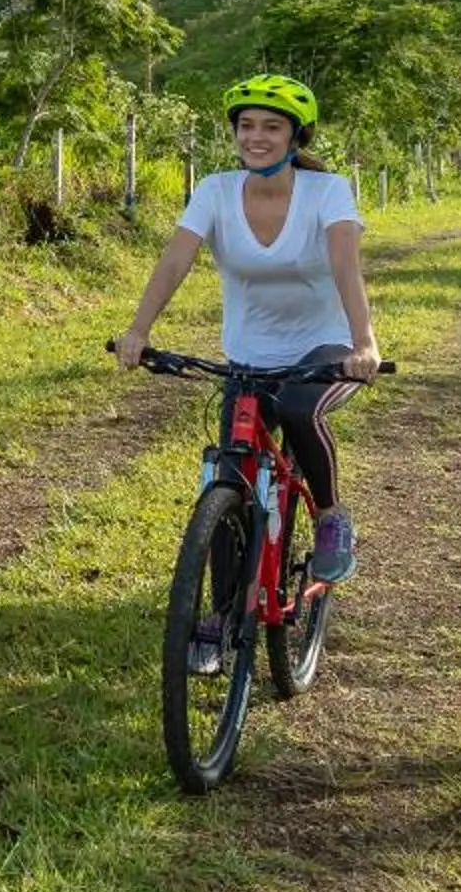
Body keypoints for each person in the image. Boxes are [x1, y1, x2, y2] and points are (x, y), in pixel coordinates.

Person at [114, 73, 383, 597]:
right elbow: (174, 261)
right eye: (247, 126)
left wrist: (363, 344)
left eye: (272, 127)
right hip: (247, 356)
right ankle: (219, 619)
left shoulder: (327, 192)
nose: (256, 136)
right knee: (228, 484)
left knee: (299, 410)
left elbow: (346, 267)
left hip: (323, 348)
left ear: (295, 137)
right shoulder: (214, 192)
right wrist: (138, 330)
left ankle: (330, 517)